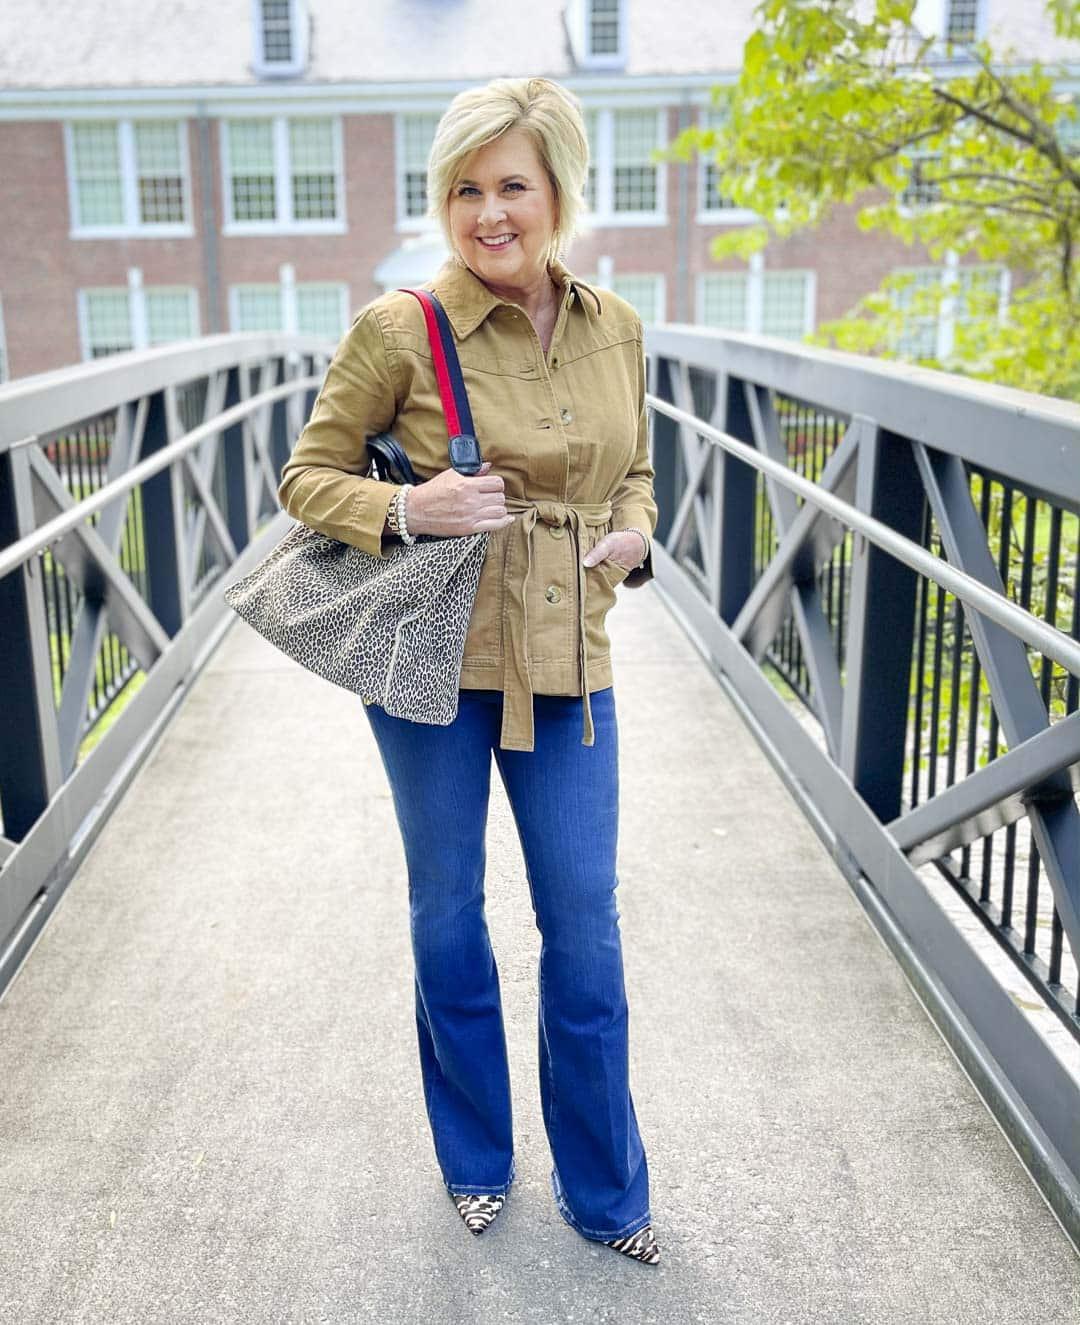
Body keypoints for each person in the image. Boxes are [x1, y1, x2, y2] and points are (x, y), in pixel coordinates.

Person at [276, 75, 660, 1266]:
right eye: (464, 189)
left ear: (557, 193)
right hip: (433, 664)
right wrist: (409, 505)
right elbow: (305, 478)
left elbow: (636, 471)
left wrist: (637, 535)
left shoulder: (614, 325)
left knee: (585, 931)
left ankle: (607, 1192)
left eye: (512, 187)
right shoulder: (400, 328)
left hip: (569, 661)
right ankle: (477, 1158)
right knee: (450, 914)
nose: (489, 212)